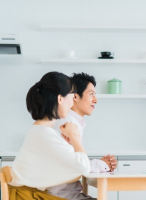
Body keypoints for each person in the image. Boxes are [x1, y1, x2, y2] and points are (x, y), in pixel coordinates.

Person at [9, 71, 89, 200]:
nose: (72, 103)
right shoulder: (44, 134)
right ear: (60, 99)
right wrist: (75, 136)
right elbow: (84, 167)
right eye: (72, 96)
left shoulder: (41, 131)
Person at [47, 72, 118, 200]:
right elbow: (79, 166)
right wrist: (103, 164)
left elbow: (74, 161)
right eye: (91, 94)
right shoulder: (67, 124)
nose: (95, 100)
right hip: (62, 196)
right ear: (75, 96)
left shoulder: (72, 122)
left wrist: (102, 164)